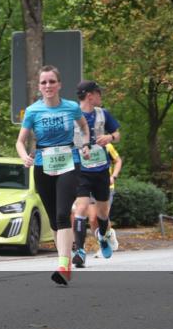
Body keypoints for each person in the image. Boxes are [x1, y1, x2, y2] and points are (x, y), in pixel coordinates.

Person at [16, 65, 92, 286]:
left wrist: (85, 144)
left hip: (69, 162)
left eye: (51, 82)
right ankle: (65, 264)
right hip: (43, 165)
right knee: (54, 220)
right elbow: (20, 141)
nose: (48, 86)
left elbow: (84, 128)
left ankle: (63, 266)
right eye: (44, 82)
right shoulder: (33, 111)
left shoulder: (71, 108)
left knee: (61, 213)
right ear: (39, 87)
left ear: (59, 84)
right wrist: (24, 157)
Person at [70, 82, 121, 268]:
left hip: (101, 170)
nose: (102, 97)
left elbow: (117, 133)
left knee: (102, 213)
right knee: (81, 209)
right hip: (81, 170)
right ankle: (80, 251)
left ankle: (103, 235)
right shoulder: (71, 114)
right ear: (90, 95)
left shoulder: (103, 113)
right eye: (100, 93)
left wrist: (110, 137)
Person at [86, 141, 123, 255]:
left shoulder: (106, 145)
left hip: (105, 186)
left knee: (102, 216)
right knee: (92, 219)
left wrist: (113, 176)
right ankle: (102, 243)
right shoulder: (82, 146)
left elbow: (118, 161)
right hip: (89, 186)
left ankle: (108, 234)